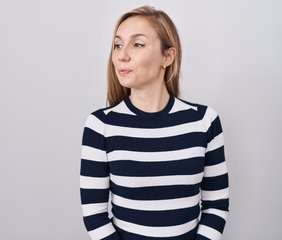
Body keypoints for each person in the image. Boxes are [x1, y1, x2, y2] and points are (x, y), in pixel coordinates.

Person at [80, 5, 229, 240]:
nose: (122, 55)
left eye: (137, 44)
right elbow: (94, 214)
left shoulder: (204, 121)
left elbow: (216, 204)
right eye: (118, 44)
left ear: (167, 56)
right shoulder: (100, 125)